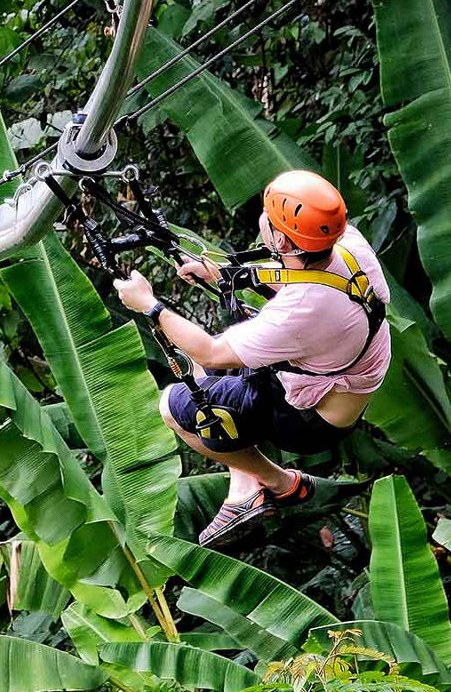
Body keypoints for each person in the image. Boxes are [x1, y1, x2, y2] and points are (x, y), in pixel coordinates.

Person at [113, 169, 391, 549]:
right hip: (335, 379)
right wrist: (222, 275)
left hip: (309, 421)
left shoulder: (300, 311)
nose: (264, 221)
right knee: (208, 370)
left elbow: (209, 349)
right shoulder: (348, 245)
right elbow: (302, 276)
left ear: (283, 241)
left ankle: (282, 483)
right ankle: (243, 486)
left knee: (173, 405)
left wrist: (148, 304)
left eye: (270, 220)